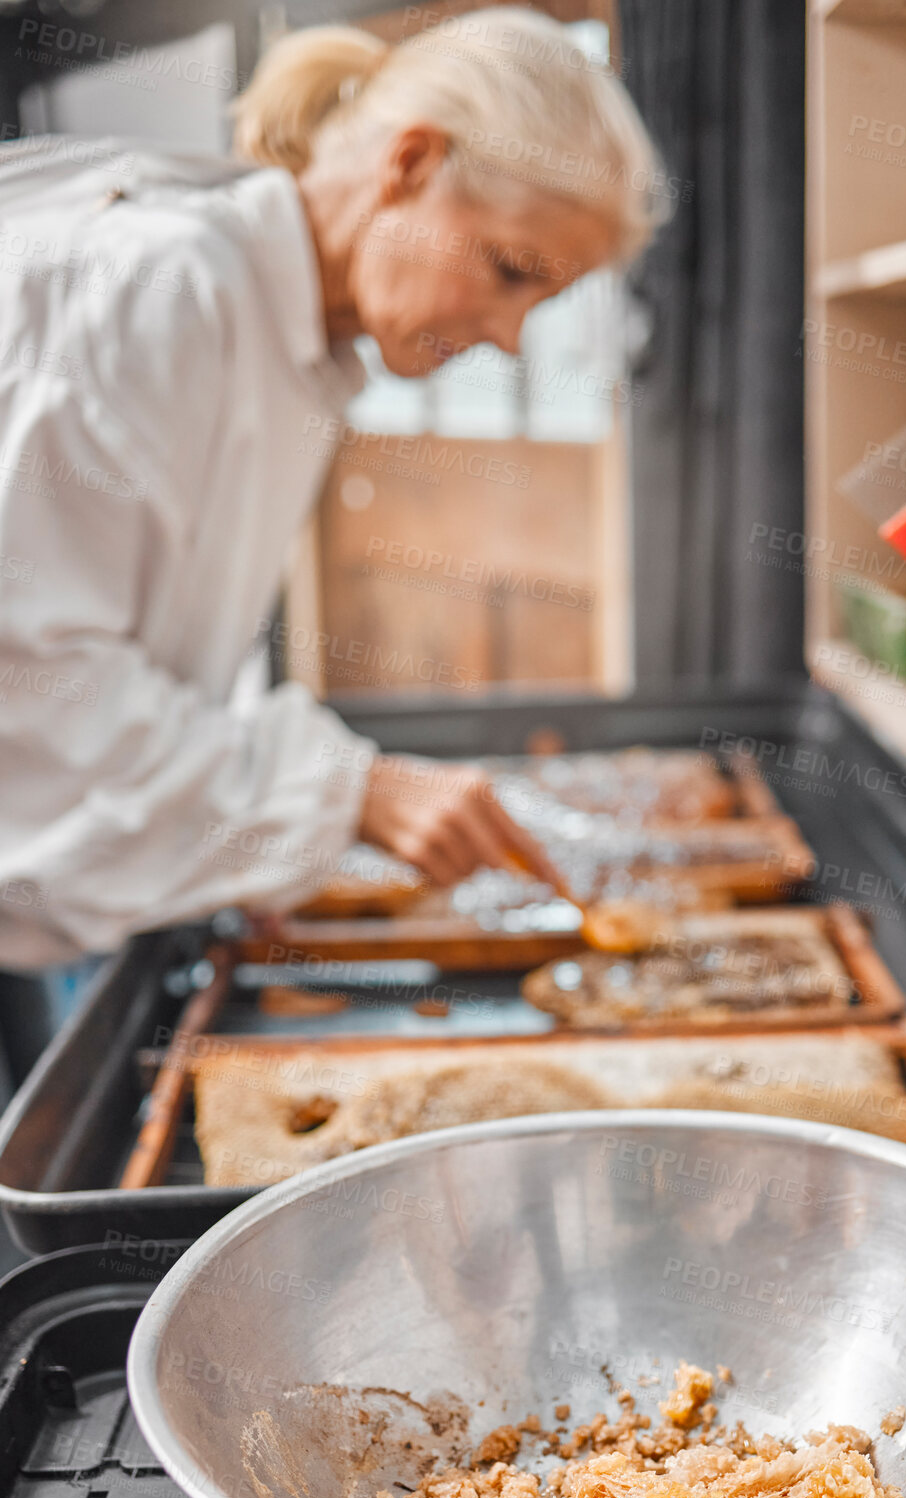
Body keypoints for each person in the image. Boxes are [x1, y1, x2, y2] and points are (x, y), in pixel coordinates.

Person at [0, 7, 662, 971]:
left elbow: (129, 647)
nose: (512, 336)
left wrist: (254, 845)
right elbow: (27, 689)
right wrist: (349, 793)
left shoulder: (298, 343)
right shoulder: (161, 283)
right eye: (511, 271)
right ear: (412, 164)